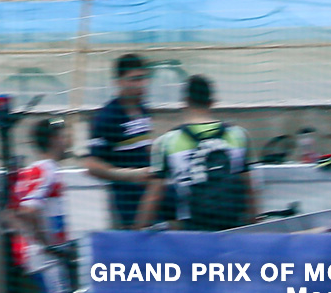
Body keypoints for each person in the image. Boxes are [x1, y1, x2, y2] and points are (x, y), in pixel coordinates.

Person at [136, 75, 255, 231]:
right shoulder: (239, 135)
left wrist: (137, 231)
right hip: (231, 228)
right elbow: (250, 189)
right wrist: (253, 224)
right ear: (212, 101)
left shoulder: (166, 142)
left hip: (191, 231)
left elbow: (154, 196)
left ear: (185, 101)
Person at [8, 119, 75, 293]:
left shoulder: (30, 171)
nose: (67, 142)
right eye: (64, 136)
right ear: (55, 139)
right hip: (46, 257)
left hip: (37, 254)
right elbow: (28, 211)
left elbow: (10, 213)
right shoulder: (48, 170)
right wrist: (47, 244)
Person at [84, 53, 155, 230]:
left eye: (144, 78)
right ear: (119, 81)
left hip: (150, 195)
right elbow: (92, 165)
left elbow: (143, 147)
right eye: (135, 79)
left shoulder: (143, 109)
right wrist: (129, 175)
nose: (141, 84)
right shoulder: (107, 117)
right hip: (126, 201)